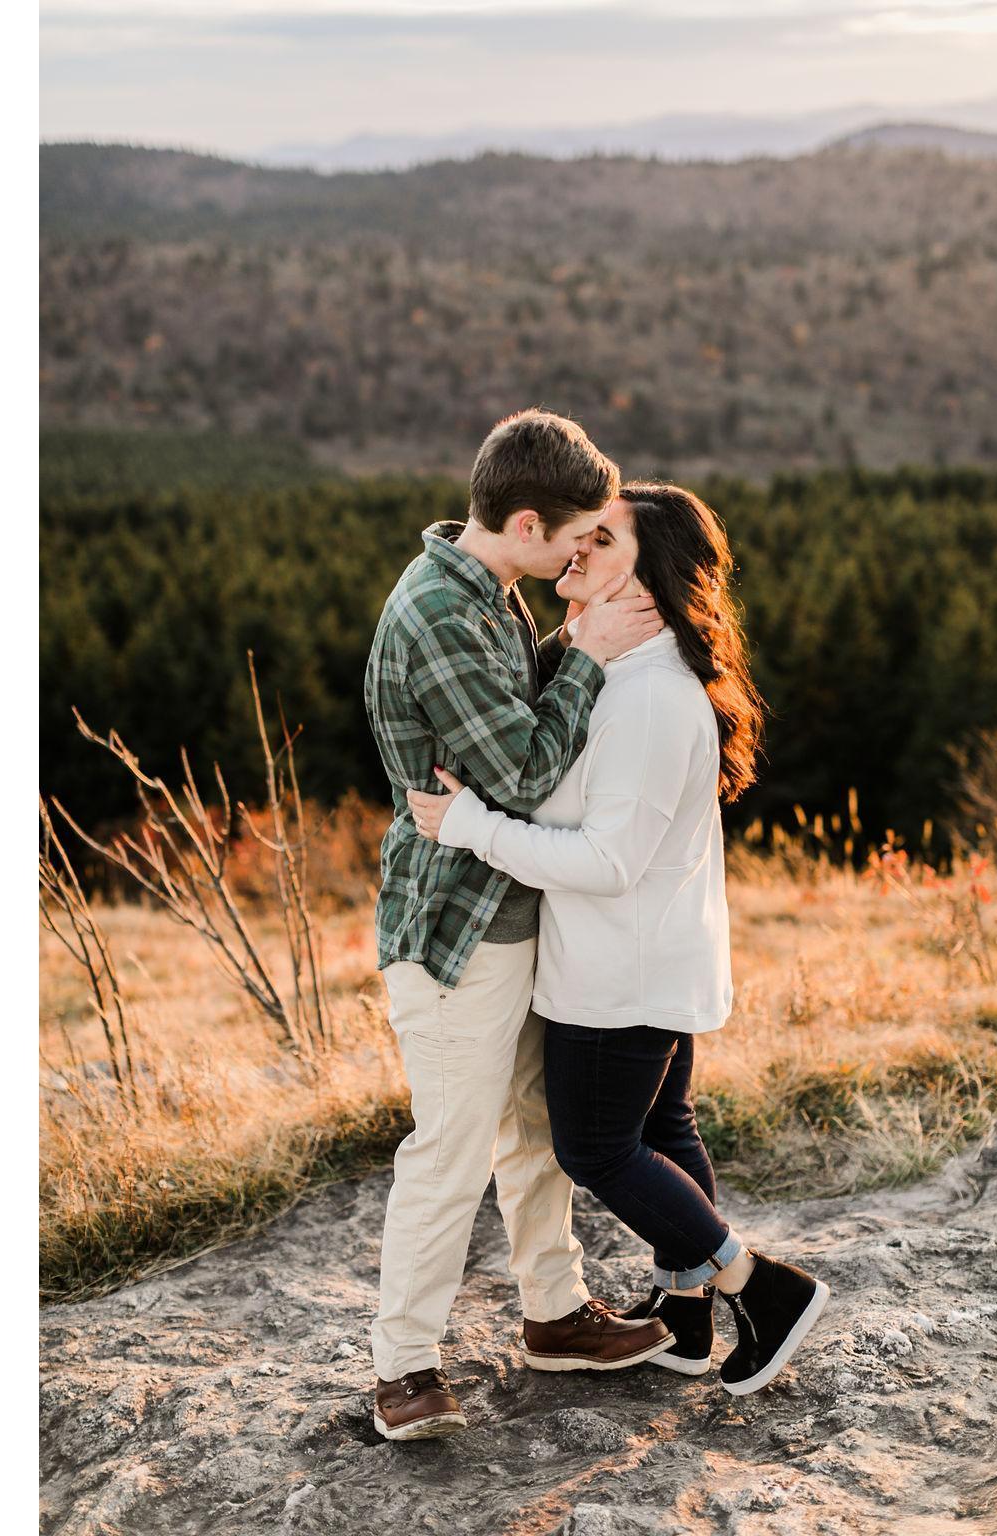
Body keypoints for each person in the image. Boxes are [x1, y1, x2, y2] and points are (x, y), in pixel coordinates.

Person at [409, 482, 831, 1397]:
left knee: (595, 1148)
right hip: (642, 958)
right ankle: (684, 1315)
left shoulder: (647, 697)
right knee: (659, 1125)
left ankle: (763, 1289)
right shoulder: (627, 673)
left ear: (649, 576)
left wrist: (470, 824)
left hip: (620, 969)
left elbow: (607, 860)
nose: (577, 554)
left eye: (602, 542)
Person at [363, 411, 676, 1443]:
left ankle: (553, 1314)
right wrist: (584, 652)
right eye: (577, 537)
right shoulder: (439, 616)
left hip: (515, 914)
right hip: (457, 930)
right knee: (451, 1148)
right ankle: (404, 1367)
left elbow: (508, 719)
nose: (584, 554)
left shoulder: (487, 587)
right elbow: (526, 774)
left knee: (531, 1131)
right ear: (527, 520)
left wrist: (563, 647)